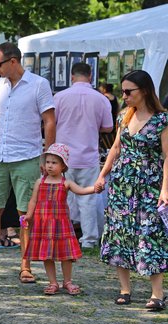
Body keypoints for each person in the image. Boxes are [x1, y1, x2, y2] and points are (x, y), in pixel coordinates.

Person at [0, 42, 56, 283]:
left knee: (25, 215)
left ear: (13, 61)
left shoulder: (39, 84)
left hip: (27, 156)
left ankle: (25, 265)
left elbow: (49, 121)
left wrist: (47, 156)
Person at [95, 70, 168, 311]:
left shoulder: (161, 120)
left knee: (150, 236)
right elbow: (115, 149)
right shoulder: (124, 116)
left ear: (144, 91)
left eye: (128, 91)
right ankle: (125, 289)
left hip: (150, 185)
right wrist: (102, 175)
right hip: (122, 185)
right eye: (122, 91)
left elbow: (167, 157)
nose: (123, 95)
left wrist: (165, 190)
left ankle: (158, 293)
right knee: (120, 233)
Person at [24, 143, 95, 295]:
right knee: (47, 255)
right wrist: (29, 215)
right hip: (43, 223)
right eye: (48, 162)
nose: (50, 166)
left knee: (66, 255)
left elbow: (81, 191)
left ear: (63, 166)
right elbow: (33, 200)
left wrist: (95, 188)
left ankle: (67, 281)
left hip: (61, 224)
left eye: (54, 163)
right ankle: (52, 282)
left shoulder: (66, 183)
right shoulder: (40, 182)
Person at [54, 63, 113, 248]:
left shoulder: (59, 97)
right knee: (88, 198)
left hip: (63, 156)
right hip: (88, 155)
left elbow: (50, 122)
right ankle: (89, 239)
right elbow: (108, 127)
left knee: (62, 197)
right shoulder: (100, 99)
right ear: (91, 76)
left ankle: (64, 235)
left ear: (72, 76)